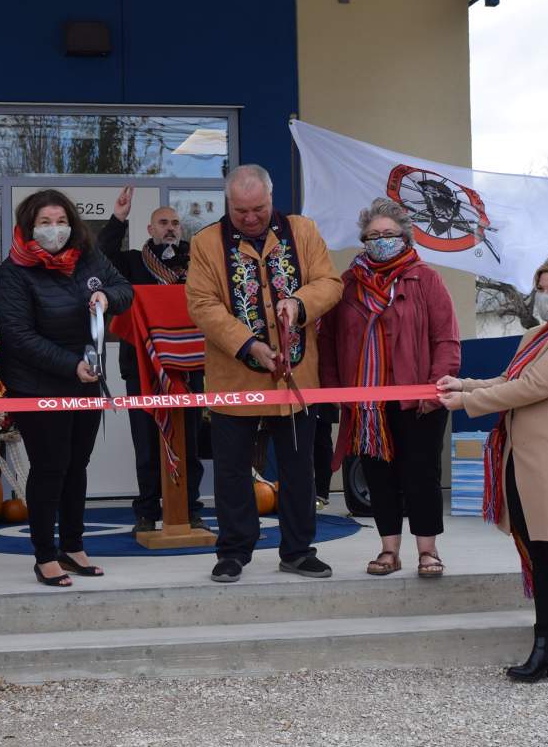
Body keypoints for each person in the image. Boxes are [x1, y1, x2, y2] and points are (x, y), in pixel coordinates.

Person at [438, 255, 548, 695]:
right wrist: (464, 384)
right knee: (539, 557)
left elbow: (530, 388)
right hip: (525, 460)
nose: (546, 297)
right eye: (542, 287)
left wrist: (466, 403)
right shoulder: (537, 335)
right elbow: (509, 378)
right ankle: (546, 646)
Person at [185, 164, 342, 583]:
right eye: (241, 212)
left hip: (296, 380)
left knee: (297, 469)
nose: (251, 218)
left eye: (258, 209)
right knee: (232, 472)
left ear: (271, 199)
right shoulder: (205, 243)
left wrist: (300, 303)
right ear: (228, 205)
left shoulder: (303, 231)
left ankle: (297, 550)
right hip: (233, 379)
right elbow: (202, 303)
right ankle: (234, 551)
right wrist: (248, 343)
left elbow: (330, 282)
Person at [0, 189, 133, 587]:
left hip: (85, 380)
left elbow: (125, 289)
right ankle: (44, 555)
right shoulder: (14, 272)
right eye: (44, 223)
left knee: (77, 465)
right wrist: (69, 365)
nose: (54, 230)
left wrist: (106, 296)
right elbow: (18, 335)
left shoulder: (87, 257)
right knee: (50, 467)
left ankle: (73, 545)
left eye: (60, 221)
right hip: (37, 385)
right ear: (28, 227)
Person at [319, 197, 460, 578]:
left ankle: (428, 551)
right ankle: (388, 551)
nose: (381, 240)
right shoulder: (346, 286)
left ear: (405, 238)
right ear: (363, 240)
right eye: (373, 235)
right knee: (378, 476)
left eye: (389, 234)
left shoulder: (425, 278)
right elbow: (328, 342)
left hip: (418, 401)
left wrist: (435, 390)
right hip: (366, 404)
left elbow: (445, 339)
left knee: (420, 474)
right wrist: (336, 394)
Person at [97, 186, 207, 534]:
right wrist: (118, 218)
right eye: (163, 222)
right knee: (146, 443)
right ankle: (146, 510)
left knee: (189, 441)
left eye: (175, 223)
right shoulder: (131, 262)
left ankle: (190, 508)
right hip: (141, 368)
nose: (170, 228)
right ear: (150, 229)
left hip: (188, 367)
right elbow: (101, 255)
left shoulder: (195, 261)